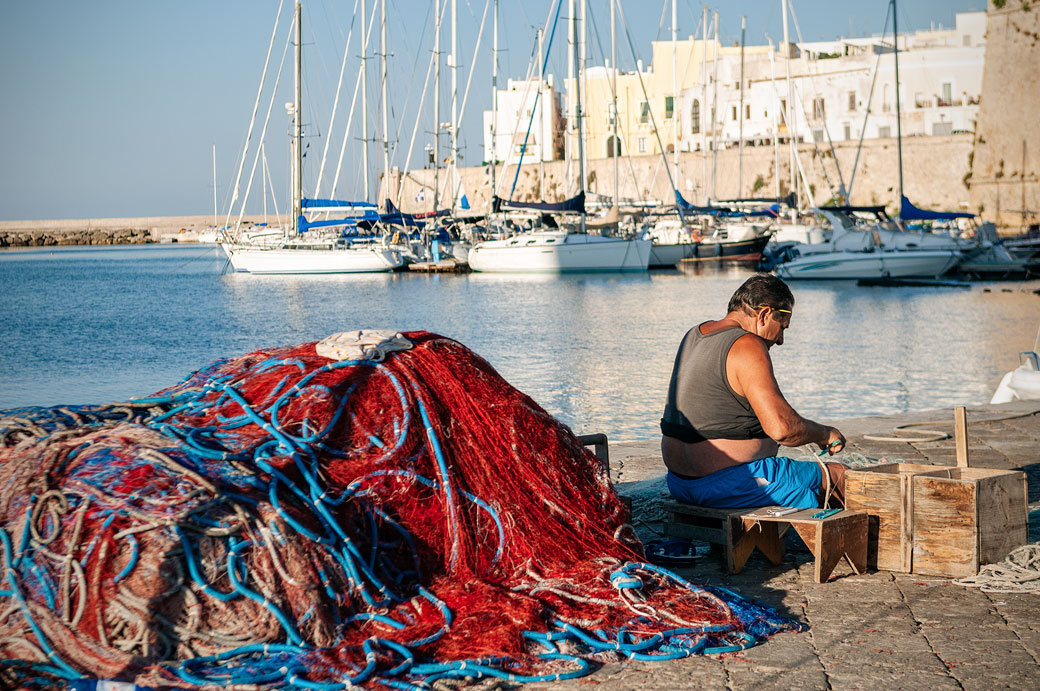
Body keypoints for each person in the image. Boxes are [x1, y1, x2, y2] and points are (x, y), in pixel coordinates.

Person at [660, 273, 846, 509]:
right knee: (841, 477)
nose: (780, 340)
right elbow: (783, 430)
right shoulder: (747, 344)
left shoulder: (694, 334)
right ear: (764, 315)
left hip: (679, 483)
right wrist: (825, 434)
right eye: (782, 328)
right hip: (729, 484)